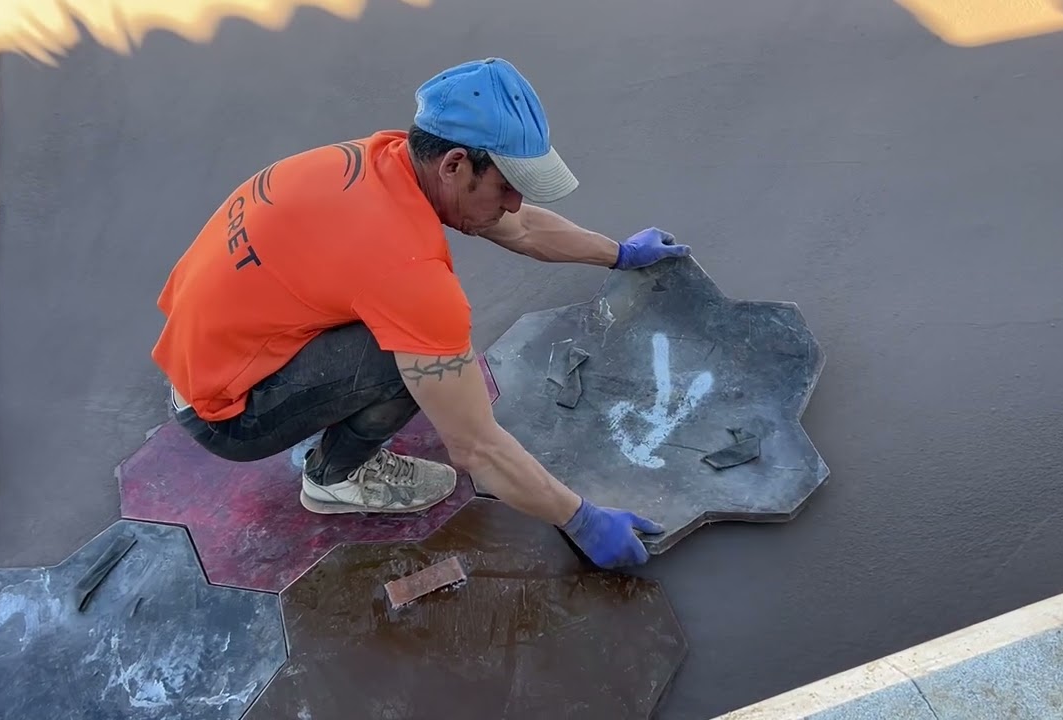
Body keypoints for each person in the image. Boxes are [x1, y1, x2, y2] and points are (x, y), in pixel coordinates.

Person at [150, 58, 690, 569]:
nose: (514, 205)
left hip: (201, 349)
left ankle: (310, 411)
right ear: (455, 164)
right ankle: (336, 478)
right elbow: (476, 446)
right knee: (418, 354)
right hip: (225, 412)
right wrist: (583, 521)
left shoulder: (383, 159)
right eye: (507, 187)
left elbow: (519, 229)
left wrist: (618, 253)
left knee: (412, 333)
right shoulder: (405, 269)